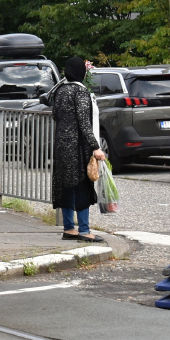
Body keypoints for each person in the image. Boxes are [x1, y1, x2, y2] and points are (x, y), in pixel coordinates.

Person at [52, 56, 106, 242]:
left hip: (61, 145)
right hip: (77, 147)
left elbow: (55, 115)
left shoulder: (60, 91)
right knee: (82, 186)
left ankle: (69, 228)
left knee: (67, 186)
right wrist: (96, 147)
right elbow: (84, 123)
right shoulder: (80, 92)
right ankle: (84, 230)